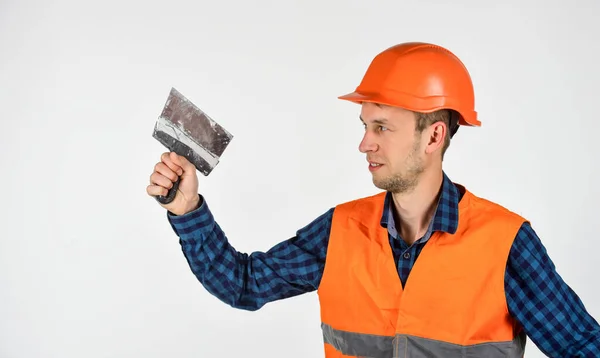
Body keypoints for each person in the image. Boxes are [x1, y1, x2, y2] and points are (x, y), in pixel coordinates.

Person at [146, 42, 600, 357]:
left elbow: (583, 348)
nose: (365, 143)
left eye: (381, 127)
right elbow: (243, 284)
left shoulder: (505, 244)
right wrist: (187, 211)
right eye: (364, 126)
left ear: (434, 136)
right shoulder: (339, 232)